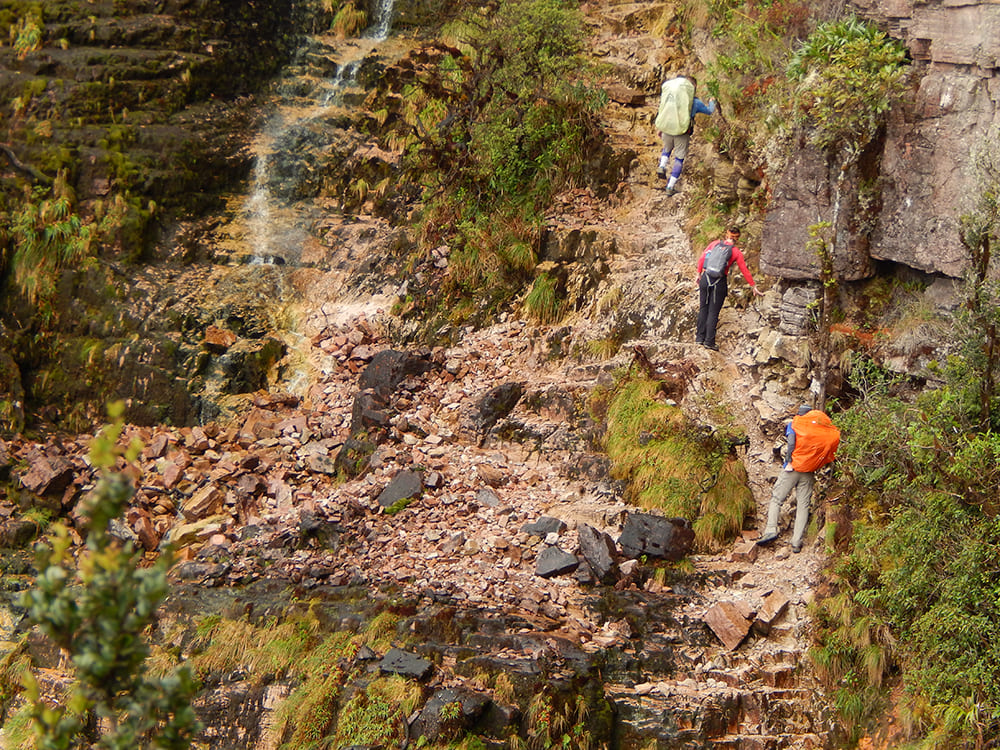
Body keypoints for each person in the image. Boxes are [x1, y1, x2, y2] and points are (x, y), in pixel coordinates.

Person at [758, 405, 841, 552]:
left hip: (793, 468)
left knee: (777, 499)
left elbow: (791, 443)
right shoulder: (818, 429)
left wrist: (789, 461)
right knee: (803, 505)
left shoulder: (795, 424)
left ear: (799, 414)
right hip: (809, 471)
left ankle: (771, 530)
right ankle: (796, 542)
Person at [695, 227, 763, 350]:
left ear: (726, 234)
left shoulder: (714, 243)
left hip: (706, 278)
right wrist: (753, 286)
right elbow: (744, 270)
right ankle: (709, 341)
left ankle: (699, 338)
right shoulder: (736, 252)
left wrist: (698, 274)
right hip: (719, 282)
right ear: (737, 238)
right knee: (713, 312)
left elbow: (702, 258)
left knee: (703, 308)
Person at [654, 74, 716, 196]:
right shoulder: (695, 102)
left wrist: (660, 128)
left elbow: (663, 110)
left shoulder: (671, 97)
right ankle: (670, 187)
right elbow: (709, 111)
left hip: (667, 129)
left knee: (666, 149)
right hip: (682, 132)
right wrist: (712, 102)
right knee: (679, 158)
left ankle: (662, 166)